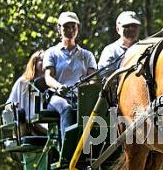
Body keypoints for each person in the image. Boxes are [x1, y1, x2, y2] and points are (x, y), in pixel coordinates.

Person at [43, 11, 97, 141]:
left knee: (95, 111)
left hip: (80, 97)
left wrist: (85, 88)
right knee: (66, 108)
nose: (70, 30)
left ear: (78, 28)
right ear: (59, 29)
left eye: (73, 26)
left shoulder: (87, 55)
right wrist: (59, 87)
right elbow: (48, 77)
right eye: (66, 27)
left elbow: (93, 79)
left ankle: (91, 149)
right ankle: (68, 153)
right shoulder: (52, 53)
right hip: (57, 97)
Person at [6, 50, 45, 134]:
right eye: (42, 60)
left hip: (44, 124)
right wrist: (13, 107)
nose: (45, 62)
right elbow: (9, 105)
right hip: (26, 125)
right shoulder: (22, 82)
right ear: (34, 63)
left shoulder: (50, 83)